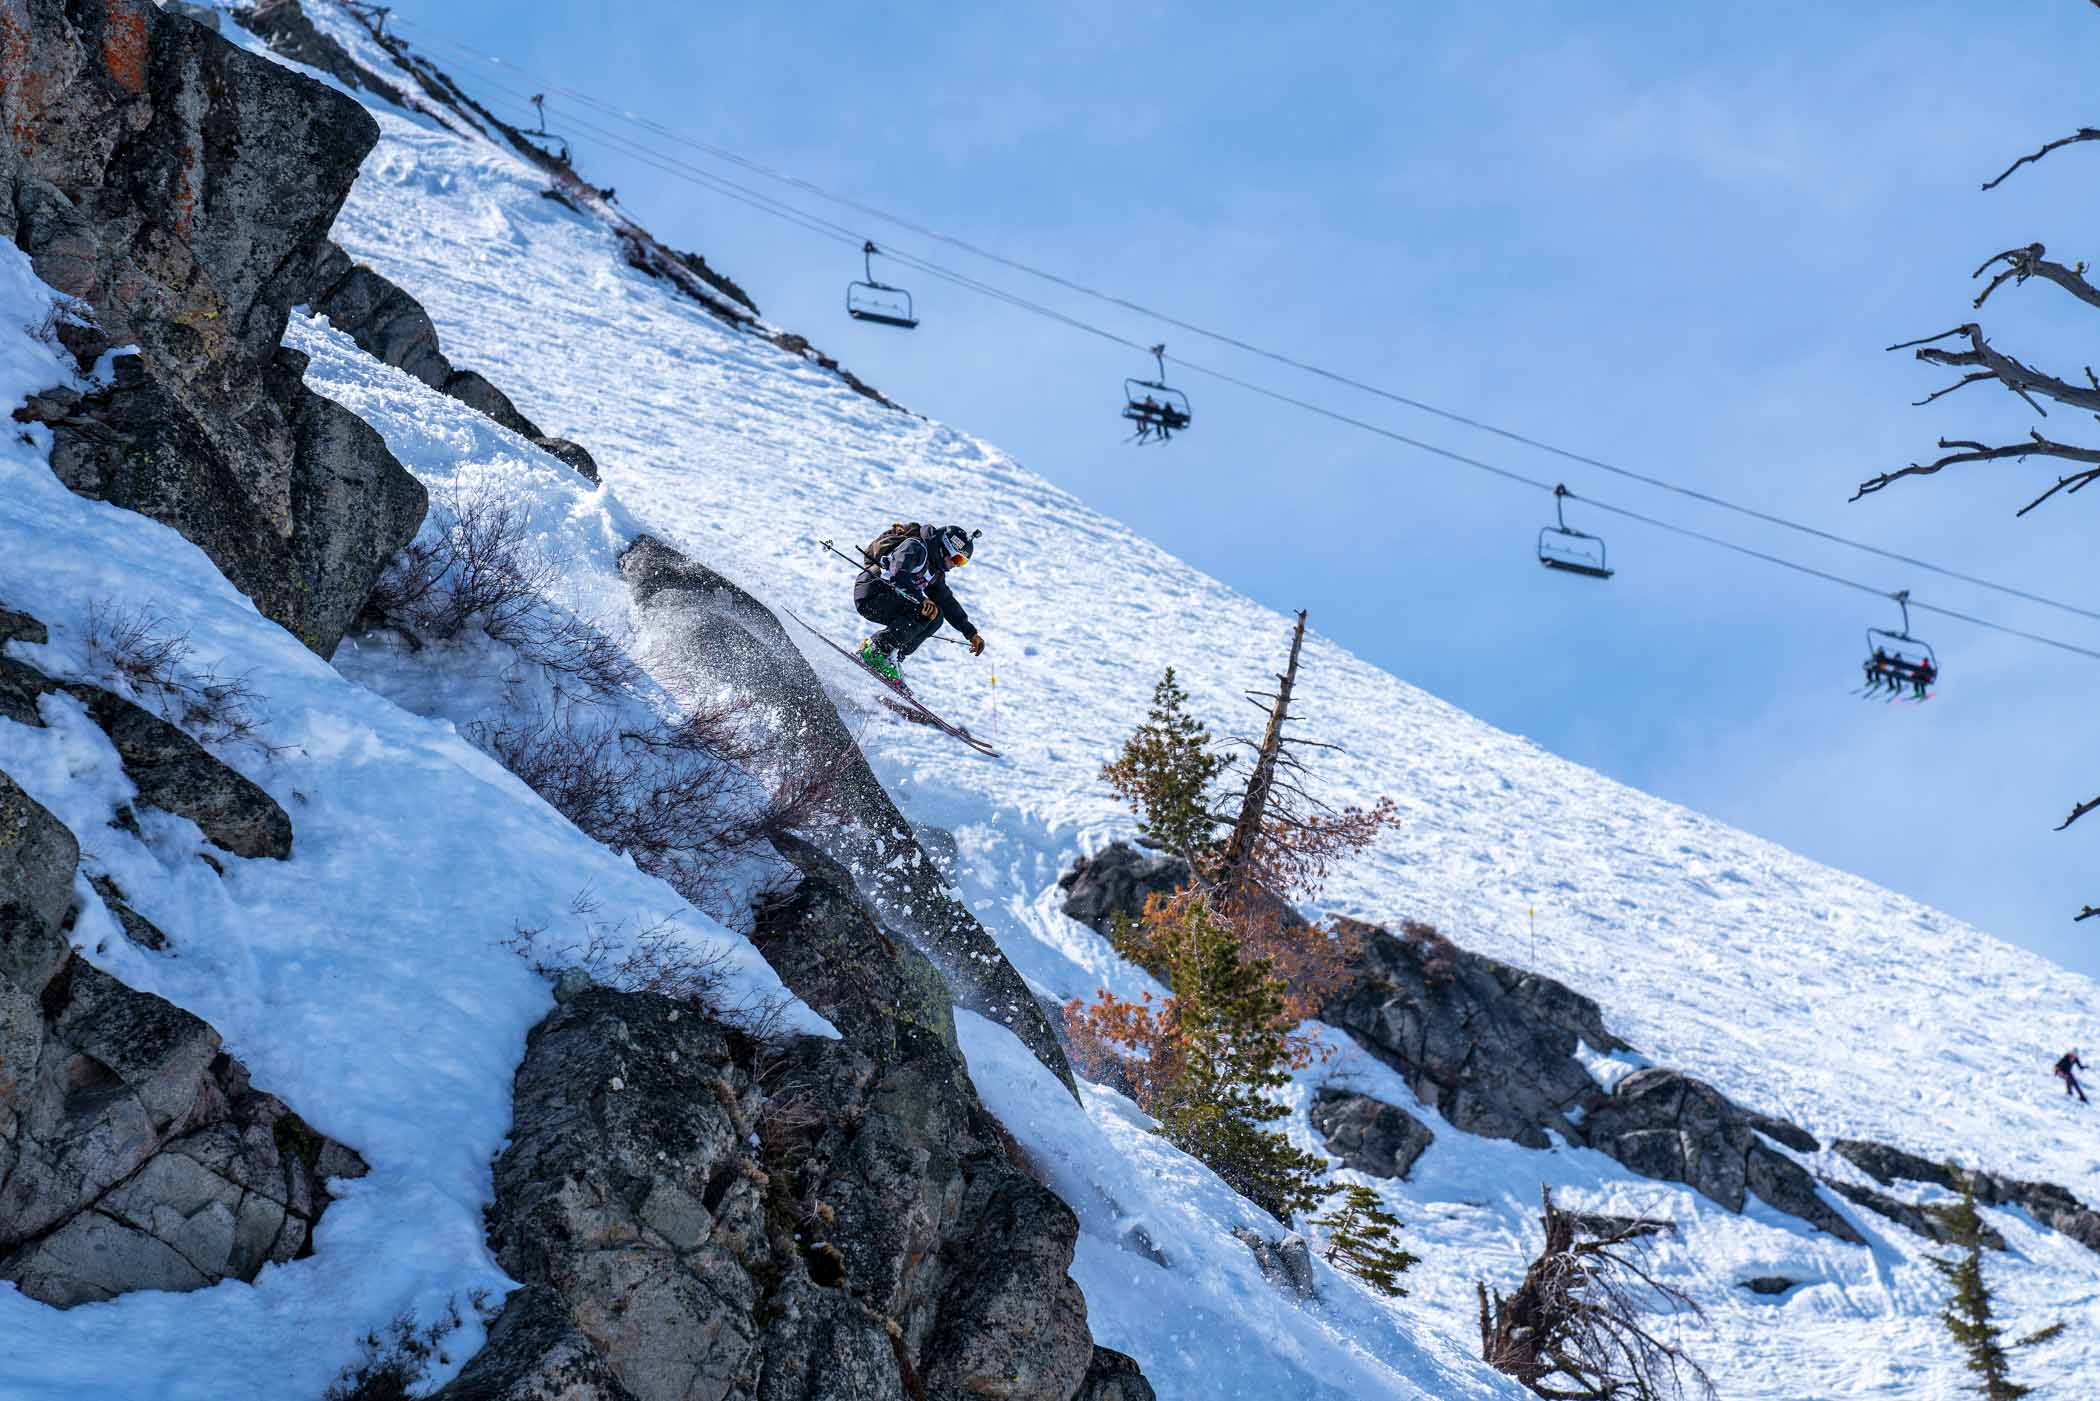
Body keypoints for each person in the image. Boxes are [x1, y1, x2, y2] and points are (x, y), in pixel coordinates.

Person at [855, 522, 986, 690]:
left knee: (936, 616)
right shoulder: (916, 548)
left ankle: (891, 657)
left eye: (962, 563)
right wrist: (921, 600)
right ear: (944, 549)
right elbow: (898, 574)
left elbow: (946, 601)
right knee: (924, 610)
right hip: (872, 591)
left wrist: (970, 632)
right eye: (957, 559)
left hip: (888, 598)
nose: (955, 566)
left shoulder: (934, 571)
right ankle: (876, 650)